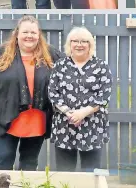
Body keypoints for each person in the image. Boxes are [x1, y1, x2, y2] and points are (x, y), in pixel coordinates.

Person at [0, 15, 64, 170]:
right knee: (4, 159)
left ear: (38, 35)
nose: (29, 36)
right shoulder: (2, 53)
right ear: (17, 34)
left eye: (33, 33)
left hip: (37, 117)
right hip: (6, 115)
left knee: (29, 161)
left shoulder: (50, 54)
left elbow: (69, 68)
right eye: (25, 32)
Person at [48, 26, 112, 172]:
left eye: (84, 41)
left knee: (90, 171)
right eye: (75, 41)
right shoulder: (60, 65)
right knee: (65, 171)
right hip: (65, 125)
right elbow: (53, 93)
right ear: (69, 44)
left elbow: (104, 95)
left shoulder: (101, 66)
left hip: (92, 126)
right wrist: (69, 113)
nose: (79, 44)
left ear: (90, 45)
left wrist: (83, 113)